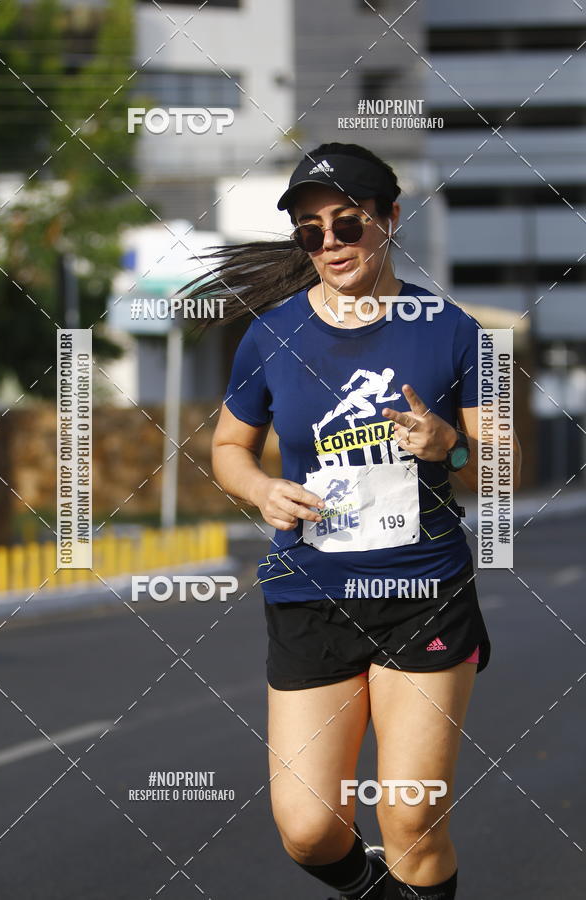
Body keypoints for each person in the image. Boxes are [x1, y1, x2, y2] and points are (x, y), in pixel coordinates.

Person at [198, 142, 522, 900]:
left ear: (388, 220)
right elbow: (227, 446)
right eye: (311, 232)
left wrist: (450, 446)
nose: (331, 243)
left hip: (424, 591)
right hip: (310, 593)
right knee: (309, 829)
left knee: (411, 821)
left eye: (347, 223)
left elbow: (500, 451)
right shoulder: (272, 335)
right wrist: (260, 489)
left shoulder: (450, 327)